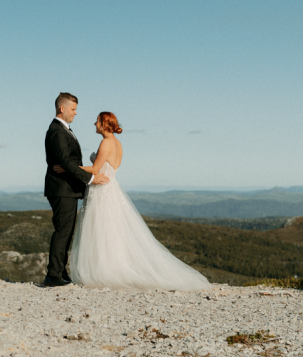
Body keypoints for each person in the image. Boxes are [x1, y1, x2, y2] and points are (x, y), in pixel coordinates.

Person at [58, 111, 211, 291]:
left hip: (101, 191)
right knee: (111, 232)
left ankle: (103, 272)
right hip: (112, 189)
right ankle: (109, 269)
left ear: (104, 124)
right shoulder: (118, 143)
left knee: (101, 230)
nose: (94, 124)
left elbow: (95, 169)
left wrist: (67, 168)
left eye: (97, 121)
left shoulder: (106, 142)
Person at [43, 93, 109, 287]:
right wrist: (91, 178)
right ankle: (53, 275)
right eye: (73, 109)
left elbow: (67, 162)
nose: (76, 113)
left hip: (66, 188)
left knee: (66, 231)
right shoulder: (57, 130)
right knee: (63, 231)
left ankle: (60, 272)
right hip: (61, 188)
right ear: (62, 108)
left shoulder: (63, 129)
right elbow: (65, 160)